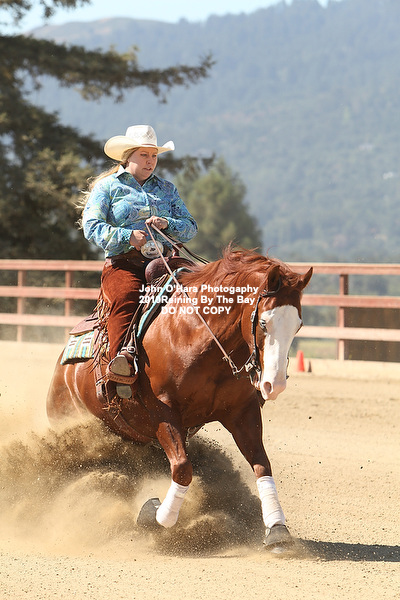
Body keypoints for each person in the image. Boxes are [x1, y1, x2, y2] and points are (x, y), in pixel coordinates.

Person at [82, 125, 198, 398]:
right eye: (144, 155)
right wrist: (127, 237)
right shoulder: (109, 187)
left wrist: (167, 223)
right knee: (125, 297)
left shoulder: (167, 189)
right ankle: (119, 368)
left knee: (200, 294)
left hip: (165, 263)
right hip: (124, 263)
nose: (150, 161)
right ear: (128, 157)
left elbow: (191, 227)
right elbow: (91, 226)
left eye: (154, 155)